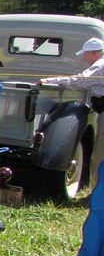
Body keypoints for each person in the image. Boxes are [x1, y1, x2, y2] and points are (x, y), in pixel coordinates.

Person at [39, 37, 104, 188]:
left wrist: (52, 81)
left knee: (100, 156)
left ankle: (96, 195)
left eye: (86, 54)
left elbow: (80, 80)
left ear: (94, 53)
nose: (84, 57)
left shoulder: (100, 65)